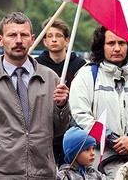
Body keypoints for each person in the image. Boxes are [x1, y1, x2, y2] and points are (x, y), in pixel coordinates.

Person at [0, 12, 71, 179]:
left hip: (42, 173)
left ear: (32, 38)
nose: (18, 41)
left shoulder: (50, 78)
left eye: (24, 35)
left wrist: (62, 106)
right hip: (1, 174)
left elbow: (60, 131)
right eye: (12, 35)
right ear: (0, 40)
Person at [69, 26, 128, 179]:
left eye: (122, 43)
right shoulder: (86, 75)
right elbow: (80, 114)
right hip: (99, 162)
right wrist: (111, 138)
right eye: (111, 43)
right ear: (101, 46)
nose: (117, 48)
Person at [35, 17, 87, 167]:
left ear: (67, 40)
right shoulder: (36, 64)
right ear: (44, 41)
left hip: (72, 127)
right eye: (50, 36)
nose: (54, 40)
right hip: (46, 129)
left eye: (58, 36)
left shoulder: (80, 65)